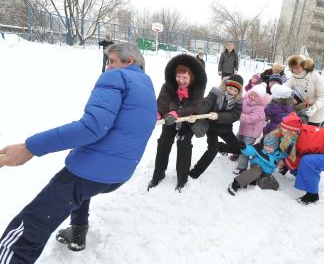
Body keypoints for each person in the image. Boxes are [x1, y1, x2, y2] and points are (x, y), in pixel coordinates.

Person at [0, 43, 157, 263]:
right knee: (81, 190)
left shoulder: (115, 78)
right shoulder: (147, 86)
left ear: (128, 61)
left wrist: (30, 147)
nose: (108, 66)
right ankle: (78, 230)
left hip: (91, 171)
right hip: (118, 175)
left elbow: (92, 127)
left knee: (29, 228)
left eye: (112, 61)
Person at [147, 54, 207, 192]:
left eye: (185, 77)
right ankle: (158, 173)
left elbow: (194, 105)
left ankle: (182, 178)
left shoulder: (198, 88)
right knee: (163, 142)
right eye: (178, 76)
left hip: (187, 119)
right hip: (169, 118)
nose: (181, 80)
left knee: (183, 143)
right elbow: (162, 101)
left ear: (191, 77)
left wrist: (178, 113)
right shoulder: (168, 86)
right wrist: (158, 113)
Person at [277, 112, 324, 205]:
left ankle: (312, 195)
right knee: (303, 160)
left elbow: (298, 158)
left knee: (308, 161)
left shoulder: (305, 141)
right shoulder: (297, 130)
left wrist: (285, 162)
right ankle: (300, 174)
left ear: (292, 132)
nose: (282, 133)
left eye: (284, 131)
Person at [188, 75, 244, 179]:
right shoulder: (216, 92)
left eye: (235, 90)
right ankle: (195, 172)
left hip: (225, 127)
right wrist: (196, 114)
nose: (232, 92)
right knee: (212, 149)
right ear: (226, 85)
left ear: (239, 92)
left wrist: (219, 116)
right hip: (212, 127)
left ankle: (221, 147)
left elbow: (235, 115)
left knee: (237, 149)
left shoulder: (239, 101)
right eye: (230, 88)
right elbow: (206, 104)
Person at [234, 83, 270, 174]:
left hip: (252, 133)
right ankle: (235, 154)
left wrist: (238, 115)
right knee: (236, 141)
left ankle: (242, 167)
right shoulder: (245, 101)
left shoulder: (260, 108)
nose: (253, 97)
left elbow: (251, 119)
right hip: (243, 128)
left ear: (260, 98)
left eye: (256, 96)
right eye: (252, 94)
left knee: (245, 149)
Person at [285, 55, 324, 126]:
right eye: (293, 68)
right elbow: (285, 89)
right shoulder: (293, 77)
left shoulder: (315, 76)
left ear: (304, 66)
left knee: (312, 132)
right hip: (302, 109)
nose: (295, 71)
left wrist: (315, 107)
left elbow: (322, 96)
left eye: (297, 68)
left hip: (317, 109)